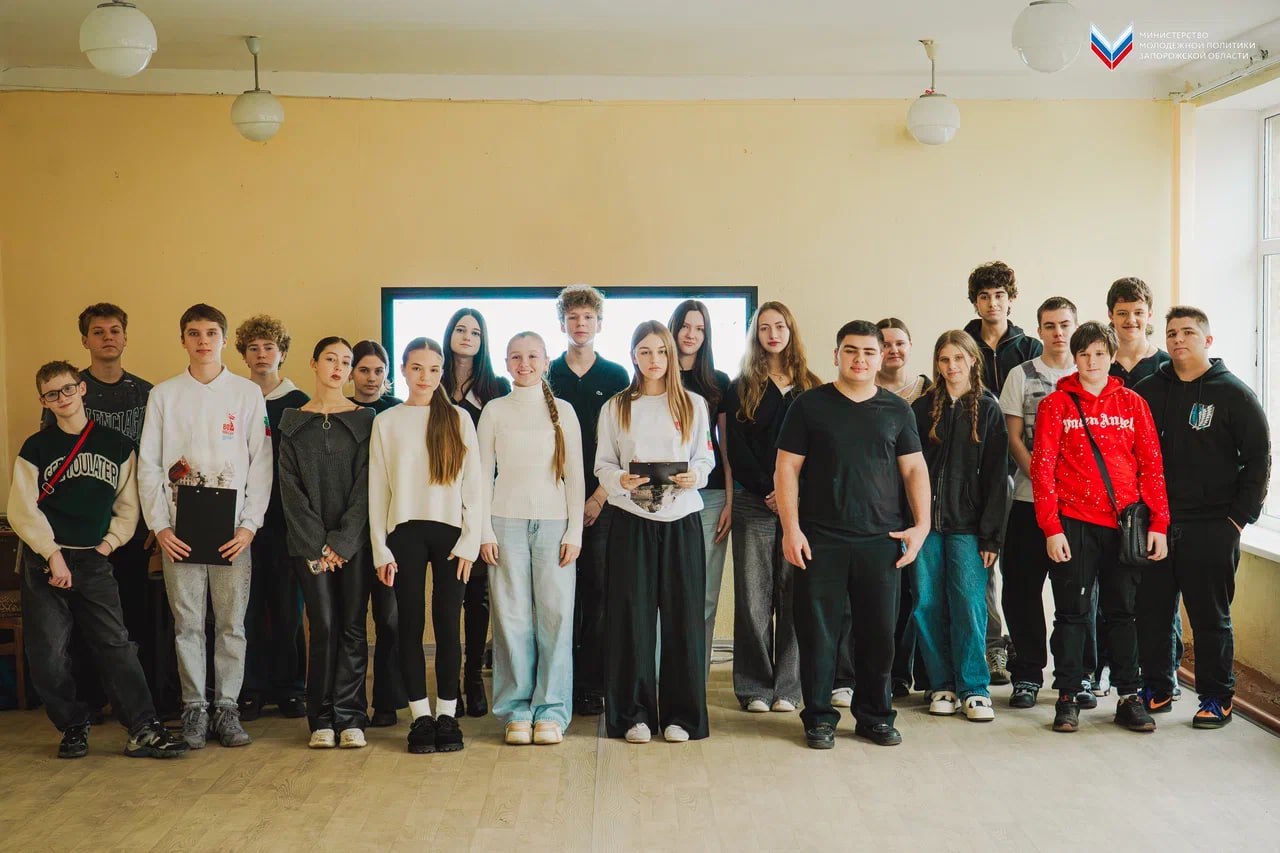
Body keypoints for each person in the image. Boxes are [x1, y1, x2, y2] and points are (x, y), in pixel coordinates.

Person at [9, 360, 187, 759]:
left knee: (116, 644)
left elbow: (128, 507)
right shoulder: (35, 448)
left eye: (67, 389)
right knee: (48, 655)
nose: (62, 398)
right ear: (43, 401)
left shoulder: (117, 445)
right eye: (52, 394)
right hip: (45, 563)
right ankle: (74, 723)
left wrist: (107, 546)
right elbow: (22, 509)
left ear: (82, 389)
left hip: (93, 560)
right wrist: (53, 554)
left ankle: (142, 727)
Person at [776, 320, 930, 750]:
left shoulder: (897, 410)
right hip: (819, 540)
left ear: (880, 358)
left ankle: (875, 716)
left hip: (881, 541)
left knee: (878, 636)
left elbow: (914, 469)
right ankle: (819, 717)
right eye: (851, 350)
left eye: (868, 352)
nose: (859, 359)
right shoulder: (808, 406)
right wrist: (791, 529)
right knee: (818, 636)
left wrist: (922, 526)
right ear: (836, 355)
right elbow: (787, 467)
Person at [139, 303, 271, 749]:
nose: (203, 341)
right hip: (180, 529)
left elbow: (261, 464)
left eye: (211, 333)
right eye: (193, 333)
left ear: (223, 339)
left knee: (232, 624)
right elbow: (149, 466)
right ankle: (194, 706)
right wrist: (161, 527)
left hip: (233, 530)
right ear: (182, 340)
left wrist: (249, 526)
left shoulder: (246, 394)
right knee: (188, 624)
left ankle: (227, 706)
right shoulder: (164, 395)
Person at [1030, 321, 1170, 734]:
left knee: (1123, 614)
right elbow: (1042, 471)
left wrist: (1159, 523)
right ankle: (1069, 696)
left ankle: (1129, 696)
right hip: (1073, 525)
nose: (1092, 362)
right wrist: (1051, 528)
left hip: (1124, 526)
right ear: (1074, 358)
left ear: (1111, 357)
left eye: (1100, 354)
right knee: (1071, 614)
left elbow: (1152, 466)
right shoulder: (1056, 405)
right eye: (1084, 354)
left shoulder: (1133, 404)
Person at [1135, 306, 1270, 728]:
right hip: (1157, 525)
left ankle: (1216, 697)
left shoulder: (1233, 394)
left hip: (1213, 526)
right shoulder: (1148, 391)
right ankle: (1158, 688)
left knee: (1210, 618)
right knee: (1154, 614)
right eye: (1172, 333)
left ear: (1207, 340)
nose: (1178, 339)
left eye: (1188, 332)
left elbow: (1259, 459)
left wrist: (1238, 520)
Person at [596, 321, 714, 744]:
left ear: (671, 356)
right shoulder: (617, 407)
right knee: (632, 619)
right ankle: (633, 716)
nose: (654, 360)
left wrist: (695, 476)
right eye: (645, 351)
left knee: (684, 618)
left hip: (682, 521)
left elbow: (704, 459)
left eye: (661, 351)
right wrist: (619, 481)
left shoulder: (693, 404)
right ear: (633, 356)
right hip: (631, 521)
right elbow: (603, 463)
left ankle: (683, 717)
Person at [39, 303, 159, 712]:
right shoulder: (67, 389)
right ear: (85, 340)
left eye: (114, 330)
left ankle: (139, 704)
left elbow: (155, 460)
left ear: (125, 336)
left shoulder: (146, 393)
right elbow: (50, 456)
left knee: (132, 613)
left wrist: (155, 520)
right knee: (83, 619)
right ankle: (91, 699)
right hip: (80, 529)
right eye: (98, 331)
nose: (108, 337)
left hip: (132, 524)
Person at [370, 337, 485, 754]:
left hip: (451, 535)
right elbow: (378, 489)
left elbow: (474, 486)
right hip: (404, 534)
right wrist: (380, 548)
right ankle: (420, 716)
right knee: (410, 625)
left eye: (433, 369)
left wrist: (471, 542)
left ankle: (447, 714)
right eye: (417, 368)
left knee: (448, 625)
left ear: (442, 373)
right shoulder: (387, 422)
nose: (425, 376)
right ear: (403, 370)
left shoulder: (458, 419)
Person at [478, 332, 585, 745]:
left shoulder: (565, 412)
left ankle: (552, 711)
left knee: (555, 618)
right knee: (511, 618)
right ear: (506, 362)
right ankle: (516, 710)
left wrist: (574, 531)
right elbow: (481, 475)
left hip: (555, 524)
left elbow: (575, 476)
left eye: (532, 356)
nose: (524, 364)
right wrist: (484, 530)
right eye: (516, 357)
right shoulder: (494, 411)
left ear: (545, 361)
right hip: (504, 522)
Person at [724, 301, 821, 713]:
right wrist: (770, 489)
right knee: (753, 598)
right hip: (754, 503)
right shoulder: (741, 386)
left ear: (790, 331)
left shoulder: (812, 387)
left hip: (799, 508)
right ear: (756, 336)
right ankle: (754, 688)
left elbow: (821, 449)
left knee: (795, 595)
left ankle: (788, 688)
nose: (773, 334)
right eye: (764, 328)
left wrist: (790, 496)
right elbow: (735, 448)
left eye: (779, 326)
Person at [278, 337, 375, 748]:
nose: (338, 367)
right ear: (314, 363)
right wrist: (319, 544)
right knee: (323, 625)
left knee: (352, 626)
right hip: (308, 545)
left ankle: (351, 716)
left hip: (354, 543)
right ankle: (320, 718)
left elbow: (368, 485)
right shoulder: (292, 423)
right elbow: (290, 490)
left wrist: (343, 541)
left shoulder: (365, 420)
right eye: (330, 359)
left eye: (346, 362)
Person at [911, 331, 1009, 722]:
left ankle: (973, 688)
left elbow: (998, 478)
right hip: (925, 526)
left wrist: (991, 537)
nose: (951, 366)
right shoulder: (922, 409)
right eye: (944, 359)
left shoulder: (988, 408)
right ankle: (942, 685)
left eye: (958, 358)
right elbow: (908, 468)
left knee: (969, 604)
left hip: (969, 528)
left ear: (972, 360)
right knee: (927, 604)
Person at [546, 285, 630, 717]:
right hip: (553, 502)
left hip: (603, 502)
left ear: (600, 323)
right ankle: (558, 681)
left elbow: (623, 443)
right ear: (562, 323)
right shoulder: (547, 373)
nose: (581, 324)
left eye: (588, 318)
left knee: (598, 594)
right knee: (559, 597)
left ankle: (592, 685)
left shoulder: (616, 377)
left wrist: (598, 497)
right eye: (573, 317)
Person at [999, 297, 1084, 709]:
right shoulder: (1021, 375)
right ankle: (1028, 675)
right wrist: (1042, 480)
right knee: (1021, 591)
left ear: (1075, 327)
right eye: (1050, 325)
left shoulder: (1089, 373)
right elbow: (1013, 438)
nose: (1058, 332)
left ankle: (1074, 676)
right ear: (1039, 331)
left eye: (1065, 324)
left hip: (1078, 508)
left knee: (1076, 595)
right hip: (1027, 500)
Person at [962, 261, 1041, 686]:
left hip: (1023, 472)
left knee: (1020, 569)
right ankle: (992, 647)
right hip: (976, 472)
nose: (992, 303)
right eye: (984, 296)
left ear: (1011, 299)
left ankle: (1023, 652)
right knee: (983, 562)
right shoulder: (962, 344)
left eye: (999, 296)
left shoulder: (1029, 348)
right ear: (974, 302)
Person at [235, 315, 309, 722]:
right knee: (245, 608)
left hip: (285, 521)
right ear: (243, 354)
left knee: (287, 609)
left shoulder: (298, 403)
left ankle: (291, 688)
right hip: (241, 520)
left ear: (282, 353)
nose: (261, 355)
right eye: (254, 348)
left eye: (269, 347)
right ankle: (250, 689)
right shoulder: (235, 397)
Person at [1103, 276, 1173, 700]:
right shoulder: (1100, 364)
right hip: (1106, 494)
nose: (1130, 320)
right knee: (1109, 587)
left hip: (1154, 489)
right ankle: (1111, 669)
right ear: (1110, 315)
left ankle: (1162, 673)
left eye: (1138, 312)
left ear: (1149, 315)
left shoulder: (1165, 366)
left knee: (1158, 587)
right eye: (1122, 312)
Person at [442, 307, 511, 718]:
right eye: (460, 329)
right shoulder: (433, 383)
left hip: (482, 502)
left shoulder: (496, 388)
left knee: (477, 595)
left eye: (475, 332)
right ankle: (449, 682)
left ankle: (472, 677)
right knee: (448, 595)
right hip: (439, 503)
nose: (467, 336)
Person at [668, 299, 733, 672]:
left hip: (710, 497)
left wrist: (730, 501)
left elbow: (724, 447)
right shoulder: (654, 375)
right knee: (667, 590)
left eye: (700, 329)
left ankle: (696, 673)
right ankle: (662, 673)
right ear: (674, 328)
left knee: (705, 592)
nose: (691, 334)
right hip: (663, 497)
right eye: (685, 326)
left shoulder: (718, 382)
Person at [347, 339, 407, 727]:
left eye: (378, 371)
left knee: (390, 619)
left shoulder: (398, 412)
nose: (371, 378)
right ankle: (350, 703)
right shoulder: (340, 411)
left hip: (389, 529)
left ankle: (387, 700)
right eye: (364, 370)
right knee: (351, 620)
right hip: (351, 530)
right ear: (351, 372)